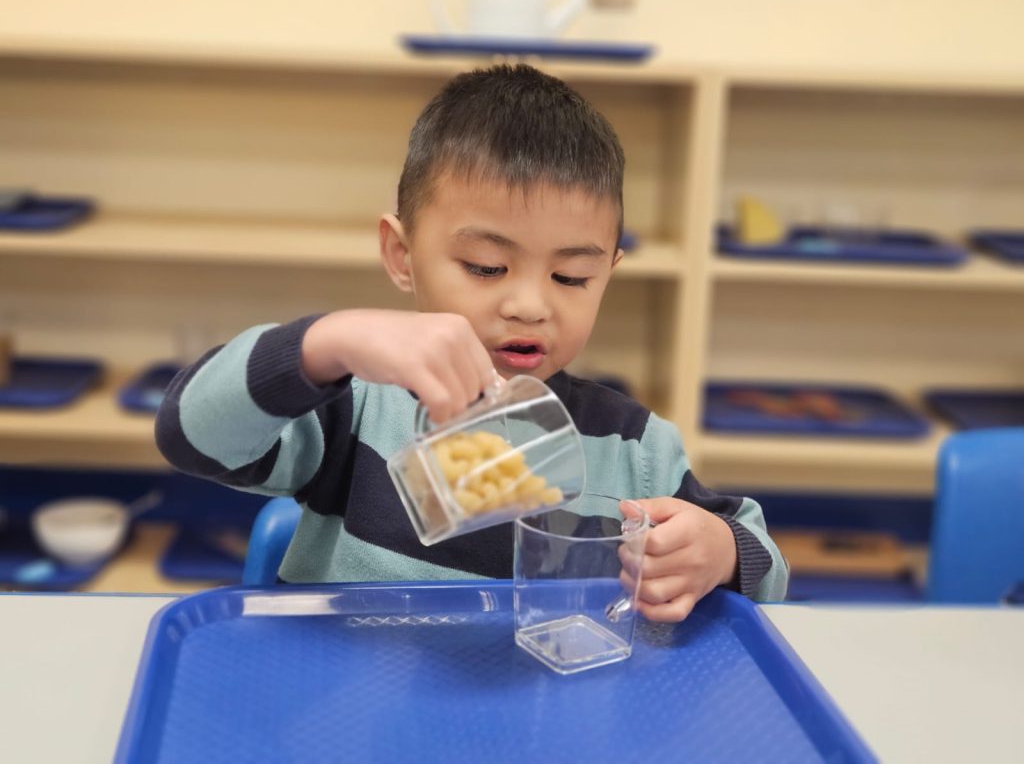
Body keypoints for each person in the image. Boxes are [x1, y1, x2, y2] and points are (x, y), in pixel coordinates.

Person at [156, 64, 788, 621]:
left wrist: (720, 551)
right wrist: (328, 342)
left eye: (572, 276)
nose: (529, 305)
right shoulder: (353, 411)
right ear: (402, 256)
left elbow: (767, 570)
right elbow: (190, 434)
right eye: (487, 266)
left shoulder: (634, 447)